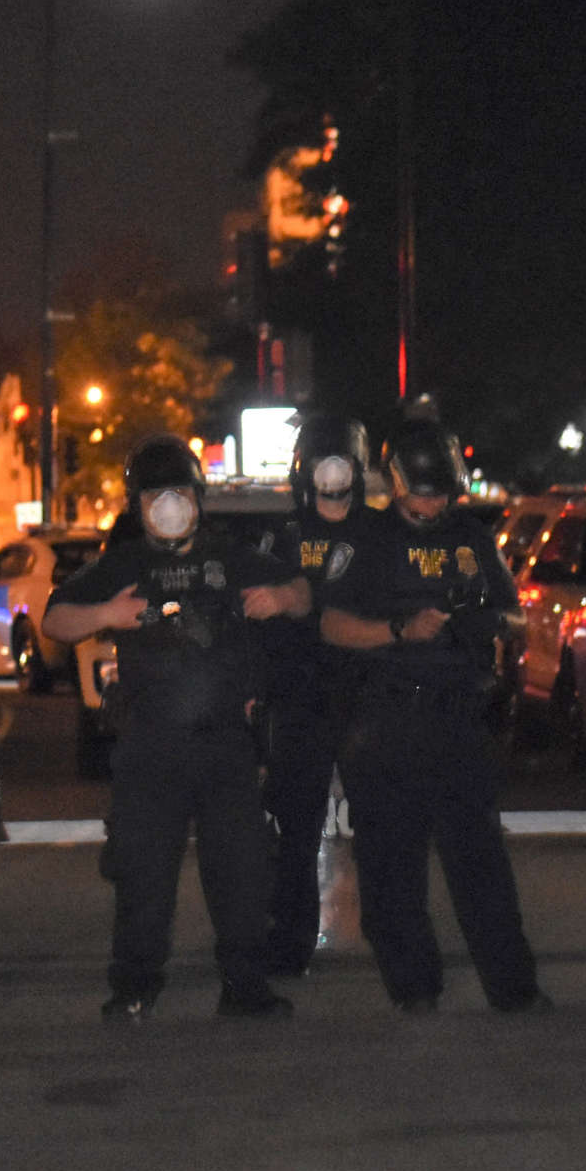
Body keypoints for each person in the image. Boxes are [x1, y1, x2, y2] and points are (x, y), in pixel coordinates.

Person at [44, 436, 308, 1021]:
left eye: (179, 494)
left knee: (241, 874)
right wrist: (107, 615)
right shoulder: (125, 562)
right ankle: (135, 987)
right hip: (151, 744)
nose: (169, 506)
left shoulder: (230, 555)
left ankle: (245, 988)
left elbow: (301, 590)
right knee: (143, 875)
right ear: (138, 505)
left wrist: (280, 596)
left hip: (226, 744)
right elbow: (57, 618)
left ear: (198, 499)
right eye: (156, 496)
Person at [318, 417, 549, 1015]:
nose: (432, 504)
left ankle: (513, 988)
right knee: (391, 869)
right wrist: (398, 629)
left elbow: (515, 613)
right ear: (395, 483)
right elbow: (331, 624)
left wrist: (491, 623)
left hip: (457, 720)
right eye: (422, 493)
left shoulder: (471, 537)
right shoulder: (366, 540)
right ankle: (414, 988)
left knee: (481, 865)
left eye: (441, 493)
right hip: (388, 719)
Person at [259, 414, 381, 977]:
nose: (333, 475)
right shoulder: (281, 538)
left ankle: (392, 935)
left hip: (367, 697)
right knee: (296, 830)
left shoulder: (381, 536)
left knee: (384, 824)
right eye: (322, 463)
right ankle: (289, 945)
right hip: (301, 700)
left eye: (342, 463)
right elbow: (260, 616)